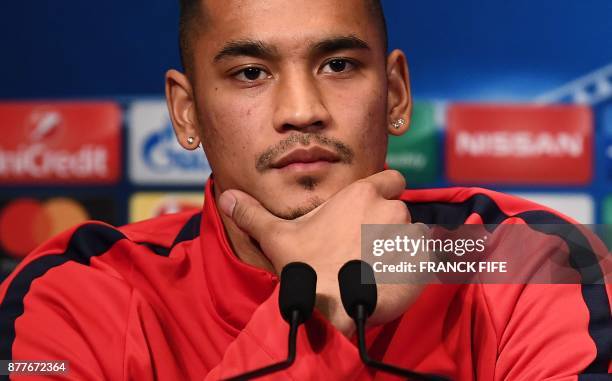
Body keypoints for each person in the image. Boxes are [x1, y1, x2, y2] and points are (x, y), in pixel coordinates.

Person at [1, 0, 610, 379]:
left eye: (338, 65)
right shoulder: (69, 295)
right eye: (250, 73)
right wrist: (315, 313)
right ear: (185, 113)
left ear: (395, 93)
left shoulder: (525, 260)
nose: (301, 110)